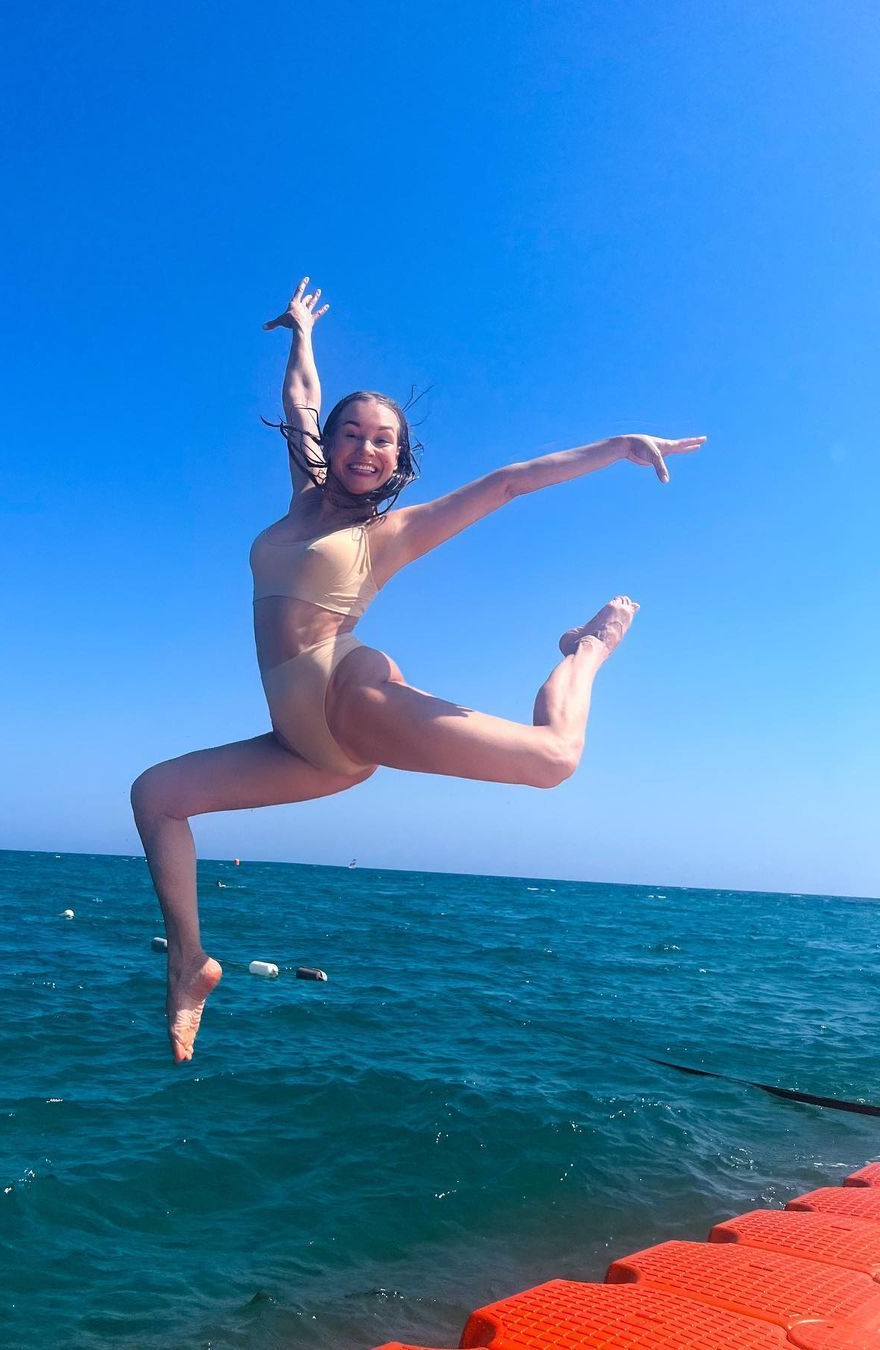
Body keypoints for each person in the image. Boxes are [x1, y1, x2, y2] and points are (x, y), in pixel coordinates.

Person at [131, 276, 704, 1063]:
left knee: (554, 760)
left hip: (346, 696)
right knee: (157, 796)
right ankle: (190, 966)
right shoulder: (303, 494)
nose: (365, 449)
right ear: (329, 443)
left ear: (399, 459)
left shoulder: (389, 534)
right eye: (352, 434)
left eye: (383, 441)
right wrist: (303, 332)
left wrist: (617, 447)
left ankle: (589, 648)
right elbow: (301, 398)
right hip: (302, 748)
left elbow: (508, 483)